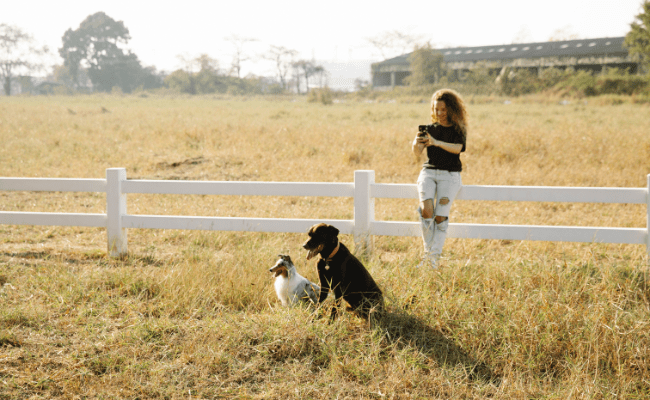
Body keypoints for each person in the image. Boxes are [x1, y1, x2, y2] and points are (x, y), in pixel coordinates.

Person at [411, 89, 467, 268]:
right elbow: (417, 154)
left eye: (443, 109)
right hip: (429, 172)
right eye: (436, 109)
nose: (439, 113)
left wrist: (436, 143)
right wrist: (416, 143)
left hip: (450, 175)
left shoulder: (458, 129)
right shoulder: (429, 129)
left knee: (440, 217)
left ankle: (431, 259)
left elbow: (458, 148)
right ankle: (430, 256)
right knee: (426, 210)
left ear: (451, 109)